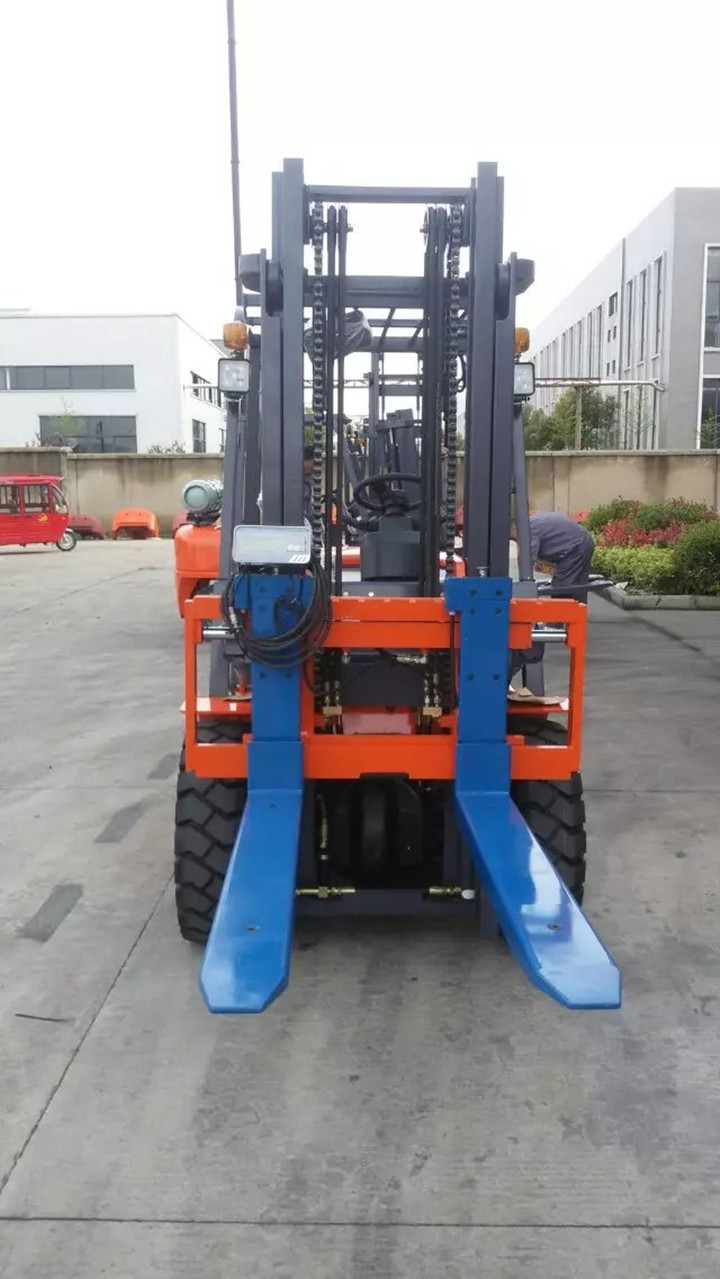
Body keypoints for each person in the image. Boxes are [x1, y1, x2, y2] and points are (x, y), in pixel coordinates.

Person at [519, 510, 595, 603]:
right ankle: (577, 609)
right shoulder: (531, 523)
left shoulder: (529, 530)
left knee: (562, 587)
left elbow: (528, 559)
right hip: (580, 542)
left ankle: (566, 610)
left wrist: (522, 584)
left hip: (577, 546)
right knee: (576, 583)